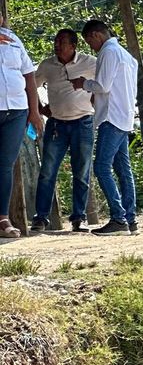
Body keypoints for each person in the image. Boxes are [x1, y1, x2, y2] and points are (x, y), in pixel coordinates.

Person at [31, 28, 96, 233]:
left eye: (61, 41)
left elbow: (106, 83)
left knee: (81, 171)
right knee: (48, 172)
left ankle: (79, 218)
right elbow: (31, 86)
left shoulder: (90, 62)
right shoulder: (47, 64)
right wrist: (40, 109)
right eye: (56, 41)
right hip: (56, 124)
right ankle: (40, 218)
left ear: (73, 45)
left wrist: (97, 103)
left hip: (83, 122)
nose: (57, 45)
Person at [82, 18, 140, 236]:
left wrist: (84, 84)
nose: (91, 47)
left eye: (89, 42)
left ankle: (118, 217)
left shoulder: (108, 52)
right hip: (124, 115)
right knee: (123, 169)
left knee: (101, 167)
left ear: (96, 35)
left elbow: (102, 86)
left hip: (110, 116)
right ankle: (131, 218)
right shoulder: (127, 55)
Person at [0, 25, 44, 240]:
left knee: (5, 165)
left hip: (16, 110)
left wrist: (34, 112)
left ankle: (2, 219)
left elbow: (29, 77)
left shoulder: (13, 39)